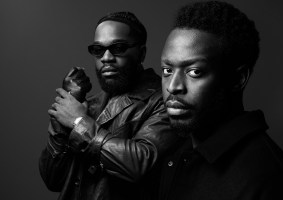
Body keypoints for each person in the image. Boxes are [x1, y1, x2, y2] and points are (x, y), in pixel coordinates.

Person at [159, 1, 283, 199]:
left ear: (238, 79)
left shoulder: (265, 178)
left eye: (194, 72)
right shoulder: (177, 151)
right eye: (167, 70)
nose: (172, 86)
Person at [39, 11, 178, 200]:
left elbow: (141, 163)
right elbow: (52, 179)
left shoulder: (164, 100)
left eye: (118, 48)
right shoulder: (90, 105)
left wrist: (79, 122)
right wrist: (64, 114)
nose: (106, 58)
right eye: (98, 50)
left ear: (141, 53)